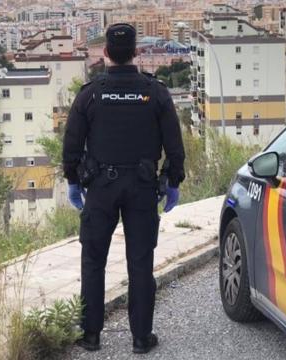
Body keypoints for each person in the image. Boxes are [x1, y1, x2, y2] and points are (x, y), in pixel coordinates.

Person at [62, 23, 185, 354]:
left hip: (100, 187)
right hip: (143, 188)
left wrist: (73, 181)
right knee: (141, 262)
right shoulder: (155, 92)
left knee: (93, 259)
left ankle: (90, 336)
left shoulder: (90, 94)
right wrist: (173, 182)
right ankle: (141, 338)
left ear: (105, 54)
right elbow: (174, 143)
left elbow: (72, 143)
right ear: (136, 52)